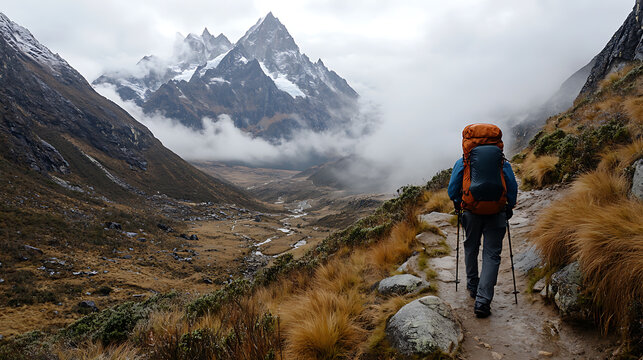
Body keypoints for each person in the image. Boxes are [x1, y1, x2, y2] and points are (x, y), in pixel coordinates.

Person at [447, 124, 518, 318]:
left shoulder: (464, 161)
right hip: (497, 211)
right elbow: (511, 187)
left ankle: (472, 285)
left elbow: (452, 189)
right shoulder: (501, 162)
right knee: (492, 255)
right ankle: (483, 301)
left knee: (471, 247)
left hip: (470, 211)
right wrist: (509, 207)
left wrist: (457, 204)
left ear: (467, 143)